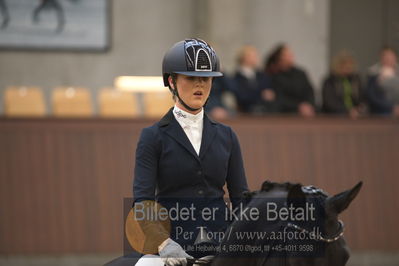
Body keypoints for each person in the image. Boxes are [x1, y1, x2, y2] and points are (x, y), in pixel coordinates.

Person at [132, 39, 248, 266]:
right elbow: (142, 202)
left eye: (205, 78)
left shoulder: (227, 136)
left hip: (218, 246)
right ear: (171, 81)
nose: (200, 85)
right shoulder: (152, 136)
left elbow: (241, 200)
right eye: (191, 78)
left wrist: (232, 246)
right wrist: (163, 244)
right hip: (170, 245)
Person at [265, 44, 316, 117]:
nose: (291, 57)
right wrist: (298, 107)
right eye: (287, 55)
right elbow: (278, 97)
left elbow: (309, 91)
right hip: (286, 113)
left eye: (291, 54)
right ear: (280, 58)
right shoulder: (274, 75)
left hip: (306, 111)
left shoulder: (300, 73)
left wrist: (309, 104)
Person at [232, 45, 276, 114]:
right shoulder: (237, 77)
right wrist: (261, 95)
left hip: (265, 109)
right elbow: (242, 96)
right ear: (244, 57)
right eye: (253, 56)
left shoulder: (261, 75)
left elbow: (268, 90)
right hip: (247, 111)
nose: (256, 58)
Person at [322, 51, 364, 118]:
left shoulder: (356, 79)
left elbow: (362, 97)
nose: (348, 66)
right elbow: (329, 102)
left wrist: (359, 108)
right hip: (335, 116)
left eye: (350, 64)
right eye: (344, 64)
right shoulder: (330, 81)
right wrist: (348, 111)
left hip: (356, 115)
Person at [366, 46, 399, 117]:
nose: (388, 59)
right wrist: (391, 108)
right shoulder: (373, 73)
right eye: (386, 56)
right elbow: (371, 96)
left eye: (391, 56)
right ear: (381, 58)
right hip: (381, 112)